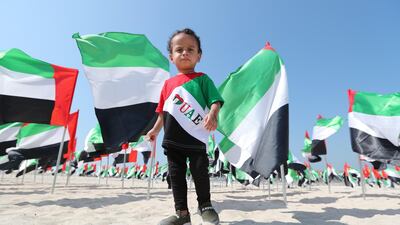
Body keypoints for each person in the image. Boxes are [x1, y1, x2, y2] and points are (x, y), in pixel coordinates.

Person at [146, 28, 224, 225]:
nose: (185, 53)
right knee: (176, 175)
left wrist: (213, 114)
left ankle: (205, 206)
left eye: (191, 49)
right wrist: (155, 130)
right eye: (179, 49)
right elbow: (162, 112)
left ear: (199, 55)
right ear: (171, 57)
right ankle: (182, 213)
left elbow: (216, 101)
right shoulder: (167, 84)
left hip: (197, 136)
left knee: (200, 172)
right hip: (172, 138)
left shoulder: (203, 79)